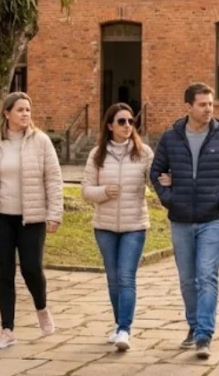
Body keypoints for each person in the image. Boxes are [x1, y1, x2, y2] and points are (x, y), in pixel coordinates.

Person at [150, 82, 219, 359]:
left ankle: (204, 334)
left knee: (207, 276)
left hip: (212, 219)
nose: (208, 109)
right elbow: (156, 172)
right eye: (203, 104)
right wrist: (170, 198)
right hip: (180, 219)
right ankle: (193, 325)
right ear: (189, 106)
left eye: (210, 104)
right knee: (187, 279)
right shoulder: (171, 138)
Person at [0, 92, 64, 350]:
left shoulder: (41, 142)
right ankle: (7, 330)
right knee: (4, 272)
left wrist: (55, 213)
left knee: (31, 268)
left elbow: (53, 179)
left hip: (32, 218)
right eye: (20, 110)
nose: (25, 114)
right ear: (6, 113)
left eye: (28, 109)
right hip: (0, 219)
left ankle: (41, 307)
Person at [82, 103, 154, 352]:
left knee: (126, 277)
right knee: (113, 279)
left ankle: (125, 329)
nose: (127, 126)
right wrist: (104, 192)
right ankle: (118, 324)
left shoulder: (143, 153)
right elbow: (86, 190)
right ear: (110, 125)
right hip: (105, 226)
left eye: (131, 121)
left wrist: (166, 180)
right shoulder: (97, 155)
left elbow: (155, 182)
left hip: (134, 225)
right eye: (121, 121)